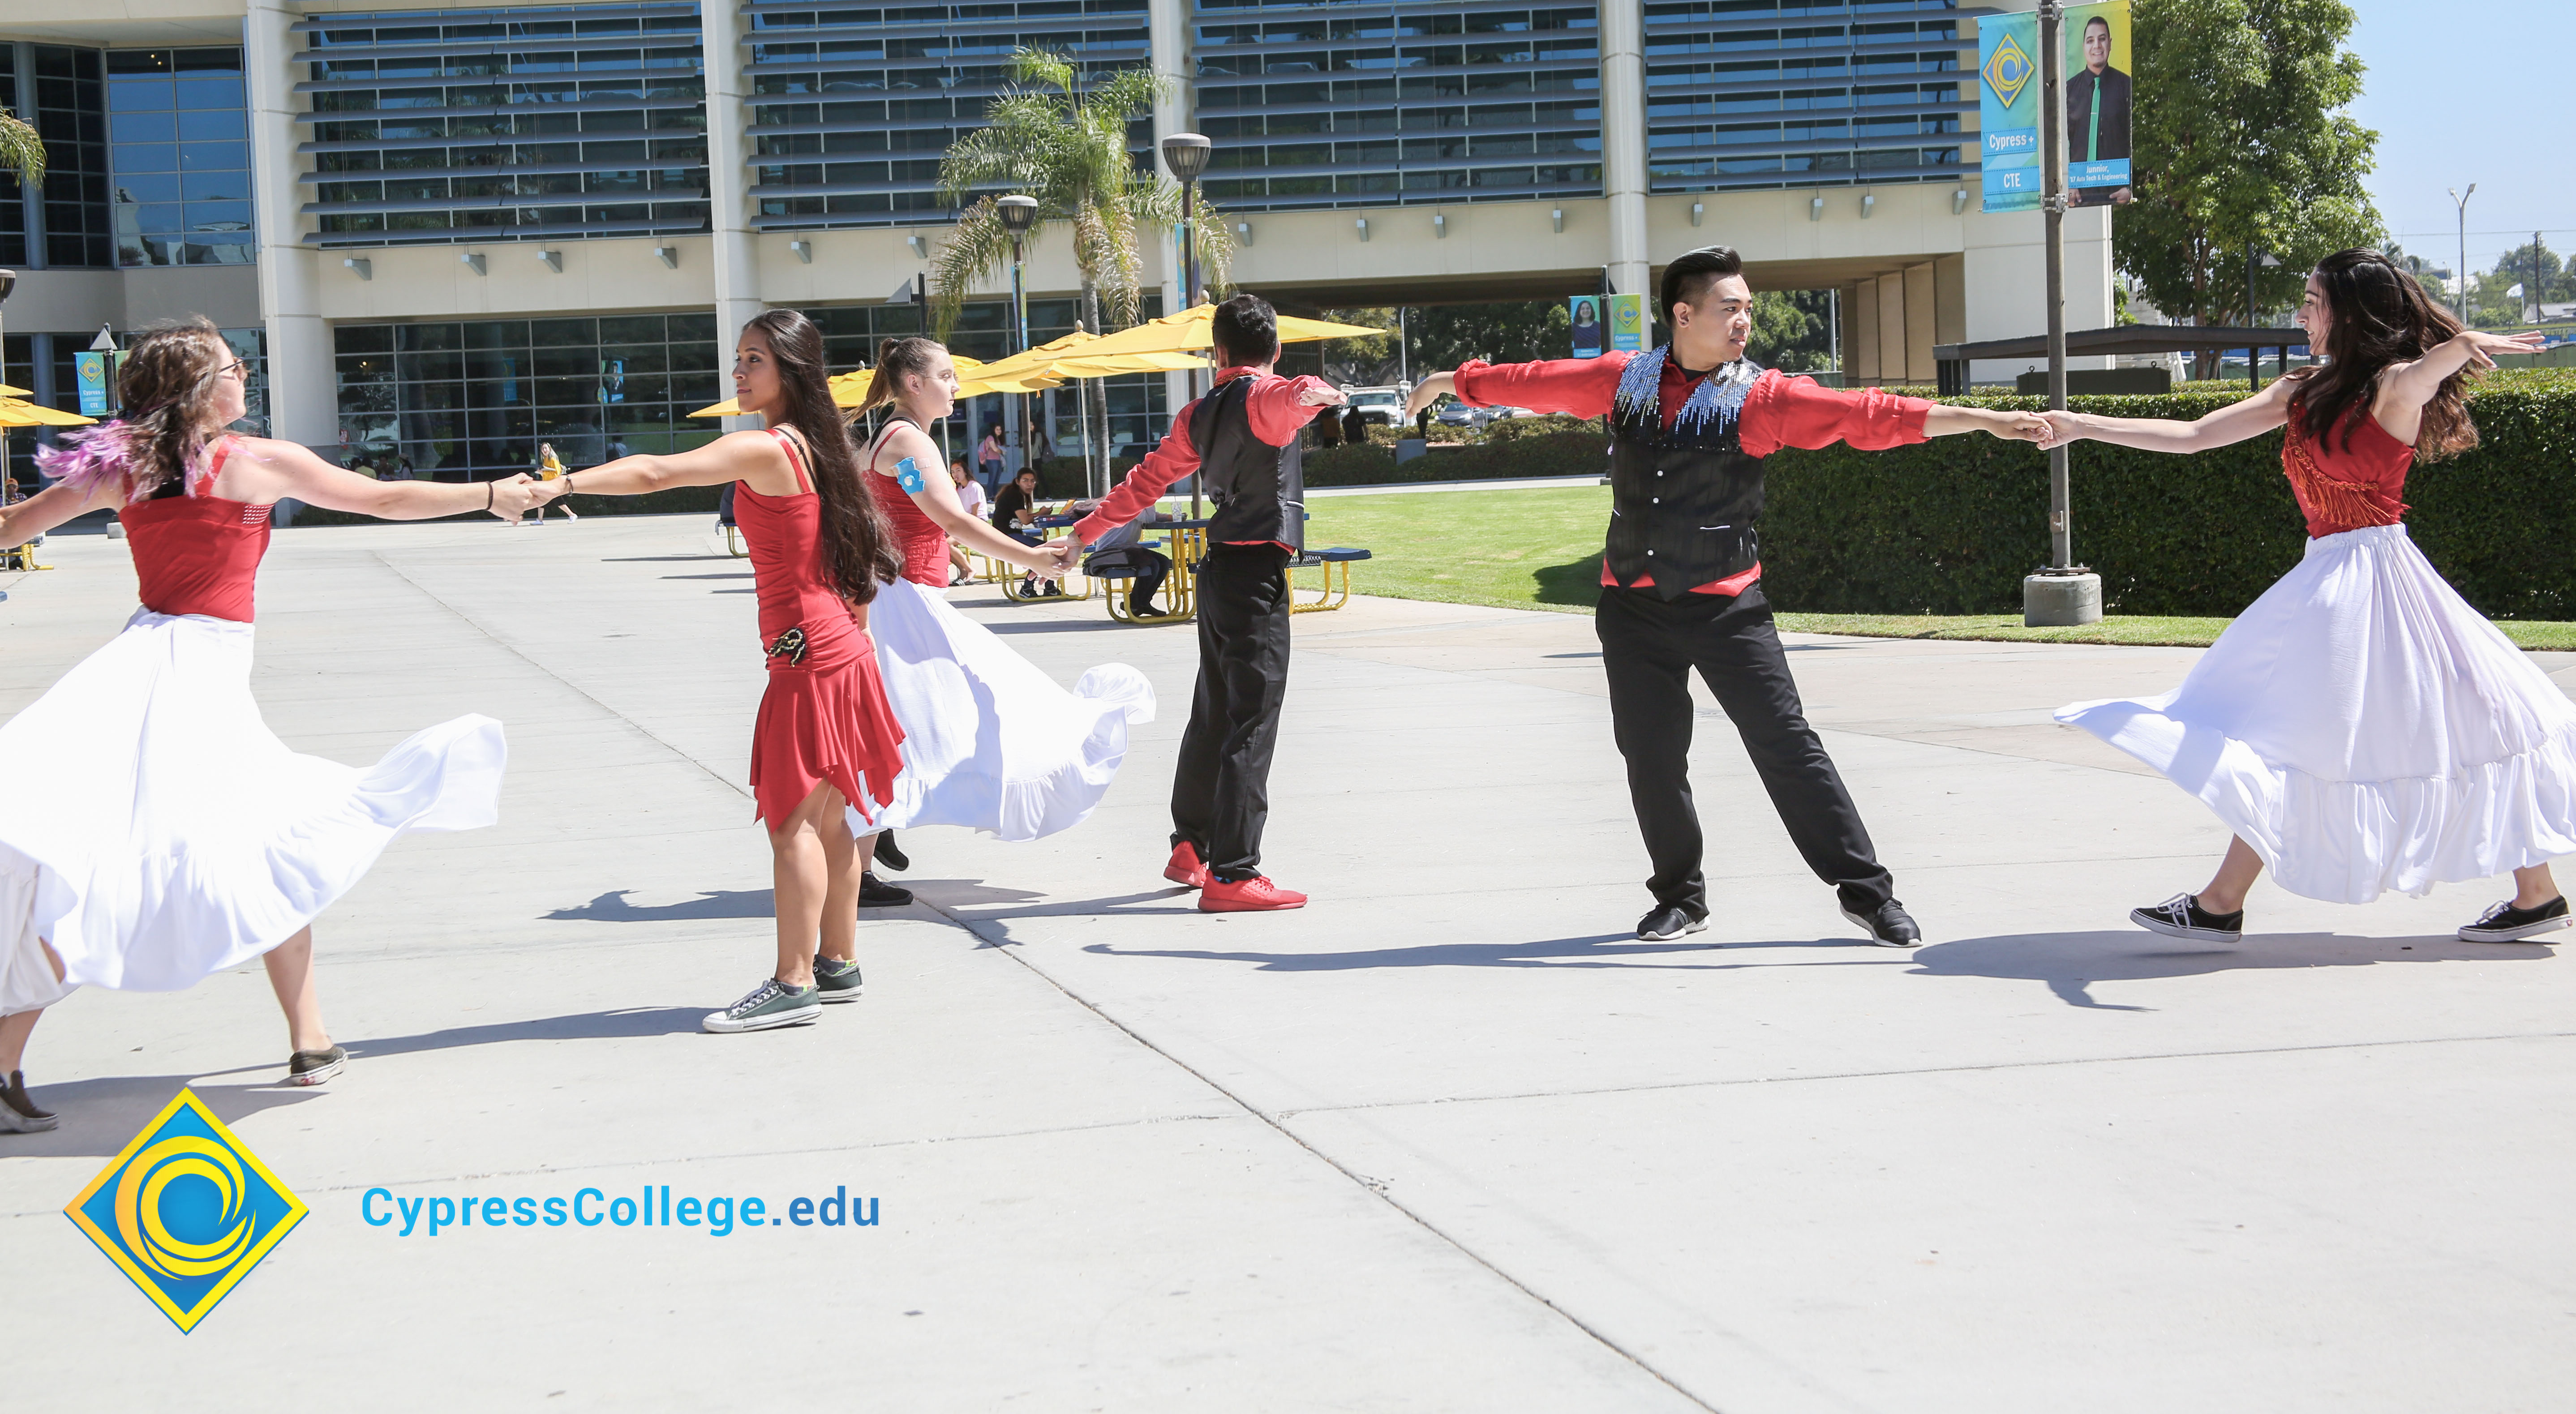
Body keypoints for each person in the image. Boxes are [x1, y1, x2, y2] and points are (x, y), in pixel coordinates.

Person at [1408, 247, 2050, 947]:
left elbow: (1867, 415)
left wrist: (1979, 418)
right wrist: (1449, 380)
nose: (1745, 319)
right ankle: (1680, 899)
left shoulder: (1764, 397)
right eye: (1730, 307)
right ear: (1684, 315)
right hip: (1632, 609)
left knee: (1788, 747)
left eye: (1748, 308)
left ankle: (1868, 894)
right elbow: (1532, 382)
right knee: (1651, 759)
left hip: (1726, 608)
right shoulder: (1623, 380)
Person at [0, 318, 525, 1130]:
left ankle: (306, 1037)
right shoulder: (253, 462)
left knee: (147, 854)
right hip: (193, 679)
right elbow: (384, 499)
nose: (245, 375)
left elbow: (8, 529)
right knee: (240, 846)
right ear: (198, 388)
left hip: (140, 666)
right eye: (233, 367)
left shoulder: (123, 469)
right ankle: (304, 1040)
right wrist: (490, 496)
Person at [2040, 249, 2575, 943]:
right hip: (2332, 575)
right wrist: (2085, 426)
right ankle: (2535, 893)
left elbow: (2425, 372)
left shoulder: (2393, 387)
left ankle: (2221, 904)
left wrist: (2461, 345)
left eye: (2313, 302)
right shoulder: (2304, 389)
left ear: (2348, 314)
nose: (2301, 313)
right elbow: (2197, 436)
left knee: (2339, 730)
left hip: (2376, 579)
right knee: (2335, 729)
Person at [527, 310, 905, 1033]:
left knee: (792, 824)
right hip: (838, 645)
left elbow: (657, 472)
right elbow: (852, 560)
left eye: (755, 359)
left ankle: (794, 983)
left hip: (808, 652)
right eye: (739, 357)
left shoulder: (770, 448)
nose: (739, 370)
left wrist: (561, 484)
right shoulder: (822, 447)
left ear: (791, 370)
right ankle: (838, 963)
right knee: (829, 820)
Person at [1045, 294, 1346, 913]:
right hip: (1256, 575)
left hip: (1217, 572)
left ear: (1218, 352)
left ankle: (1191, 847)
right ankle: (1233, 874)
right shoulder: (1267, 395)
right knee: (1251, 719)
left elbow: (1143, 484)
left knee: (1213, 712)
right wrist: (1322, 394)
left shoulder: (1197, 414)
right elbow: (1294, 396)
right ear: (1275, 350)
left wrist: (1082, 534)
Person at [852, 338, 1152, 889]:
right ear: (915, 383)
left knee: (908, 725)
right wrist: (1032, 558)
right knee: (983, 703)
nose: (956, 385)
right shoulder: (909, 442)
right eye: (947, 375)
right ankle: (866, 853)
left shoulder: (886, 439)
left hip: (894, 598)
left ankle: (878, 831)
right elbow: (955, 521)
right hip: (903, 603)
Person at [2065, 13, 2134, 209]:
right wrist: (2066, 184)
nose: (2097, 46)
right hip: (2077, 199)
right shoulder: (2068, 90)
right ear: (2084, 47)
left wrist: (2131, 188)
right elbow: (2059, 143)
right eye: (2090, 41)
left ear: (2110, 44)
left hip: (2119, 199)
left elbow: (2136, 138)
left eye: (2102, 39)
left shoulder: (2127, 86)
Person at [990, 464, 1059, 598]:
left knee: (1044, 549)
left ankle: (1044, 588)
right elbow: (1026, 520)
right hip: (1007, 537)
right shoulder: (1014, 495)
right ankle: (1032, 588)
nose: (1029, 484)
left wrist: (1040, 513)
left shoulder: (1015, 494)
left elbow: (1023, 519)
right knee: (1046, 550)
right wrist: (1042, 512)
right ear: (1018, 481)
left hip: (1006, 536)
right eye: (1025, 481)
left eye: (1033, 481)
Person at [945, 457, 988, 586]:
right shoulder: (959, 490)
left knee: (947, 544)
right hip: (964, 526)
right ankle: (963, 571)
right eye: (953, 472)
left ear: (965, 471)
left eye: (958, 470)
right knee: (941, 543)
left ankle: (969, 570)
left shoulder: (974, 487)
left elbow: (975, 515)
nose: (955, 474)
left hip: (977, 525)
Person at [532, 440, 578, 524]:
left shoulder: (553, 459)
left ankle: (572, 515)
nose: (544, 450)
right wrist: (542, 473)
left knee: (558, 502)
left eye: (546, 448)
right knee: (542, 502)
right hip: (548, 484)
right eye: (543, 449)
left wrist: (543, 473)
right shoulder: (546, 460)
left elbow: (556, 473)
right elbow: (548, 473)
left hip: (553, 485)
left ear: (550, 449)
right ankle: (540, 520)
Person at [977, 424, 1006, 496]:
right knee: (992, 479)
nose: (999, 431)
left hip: (998, 460)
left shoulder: (998, 439)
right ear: (994, 430)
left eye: (1000, 430)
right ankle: (990, 496)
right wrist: (1003, 451)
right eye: (997, 429)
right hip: (991, 460)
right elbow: (995, 449)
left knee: (996, 480)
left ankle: (995, 496)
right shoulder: (990, 438)